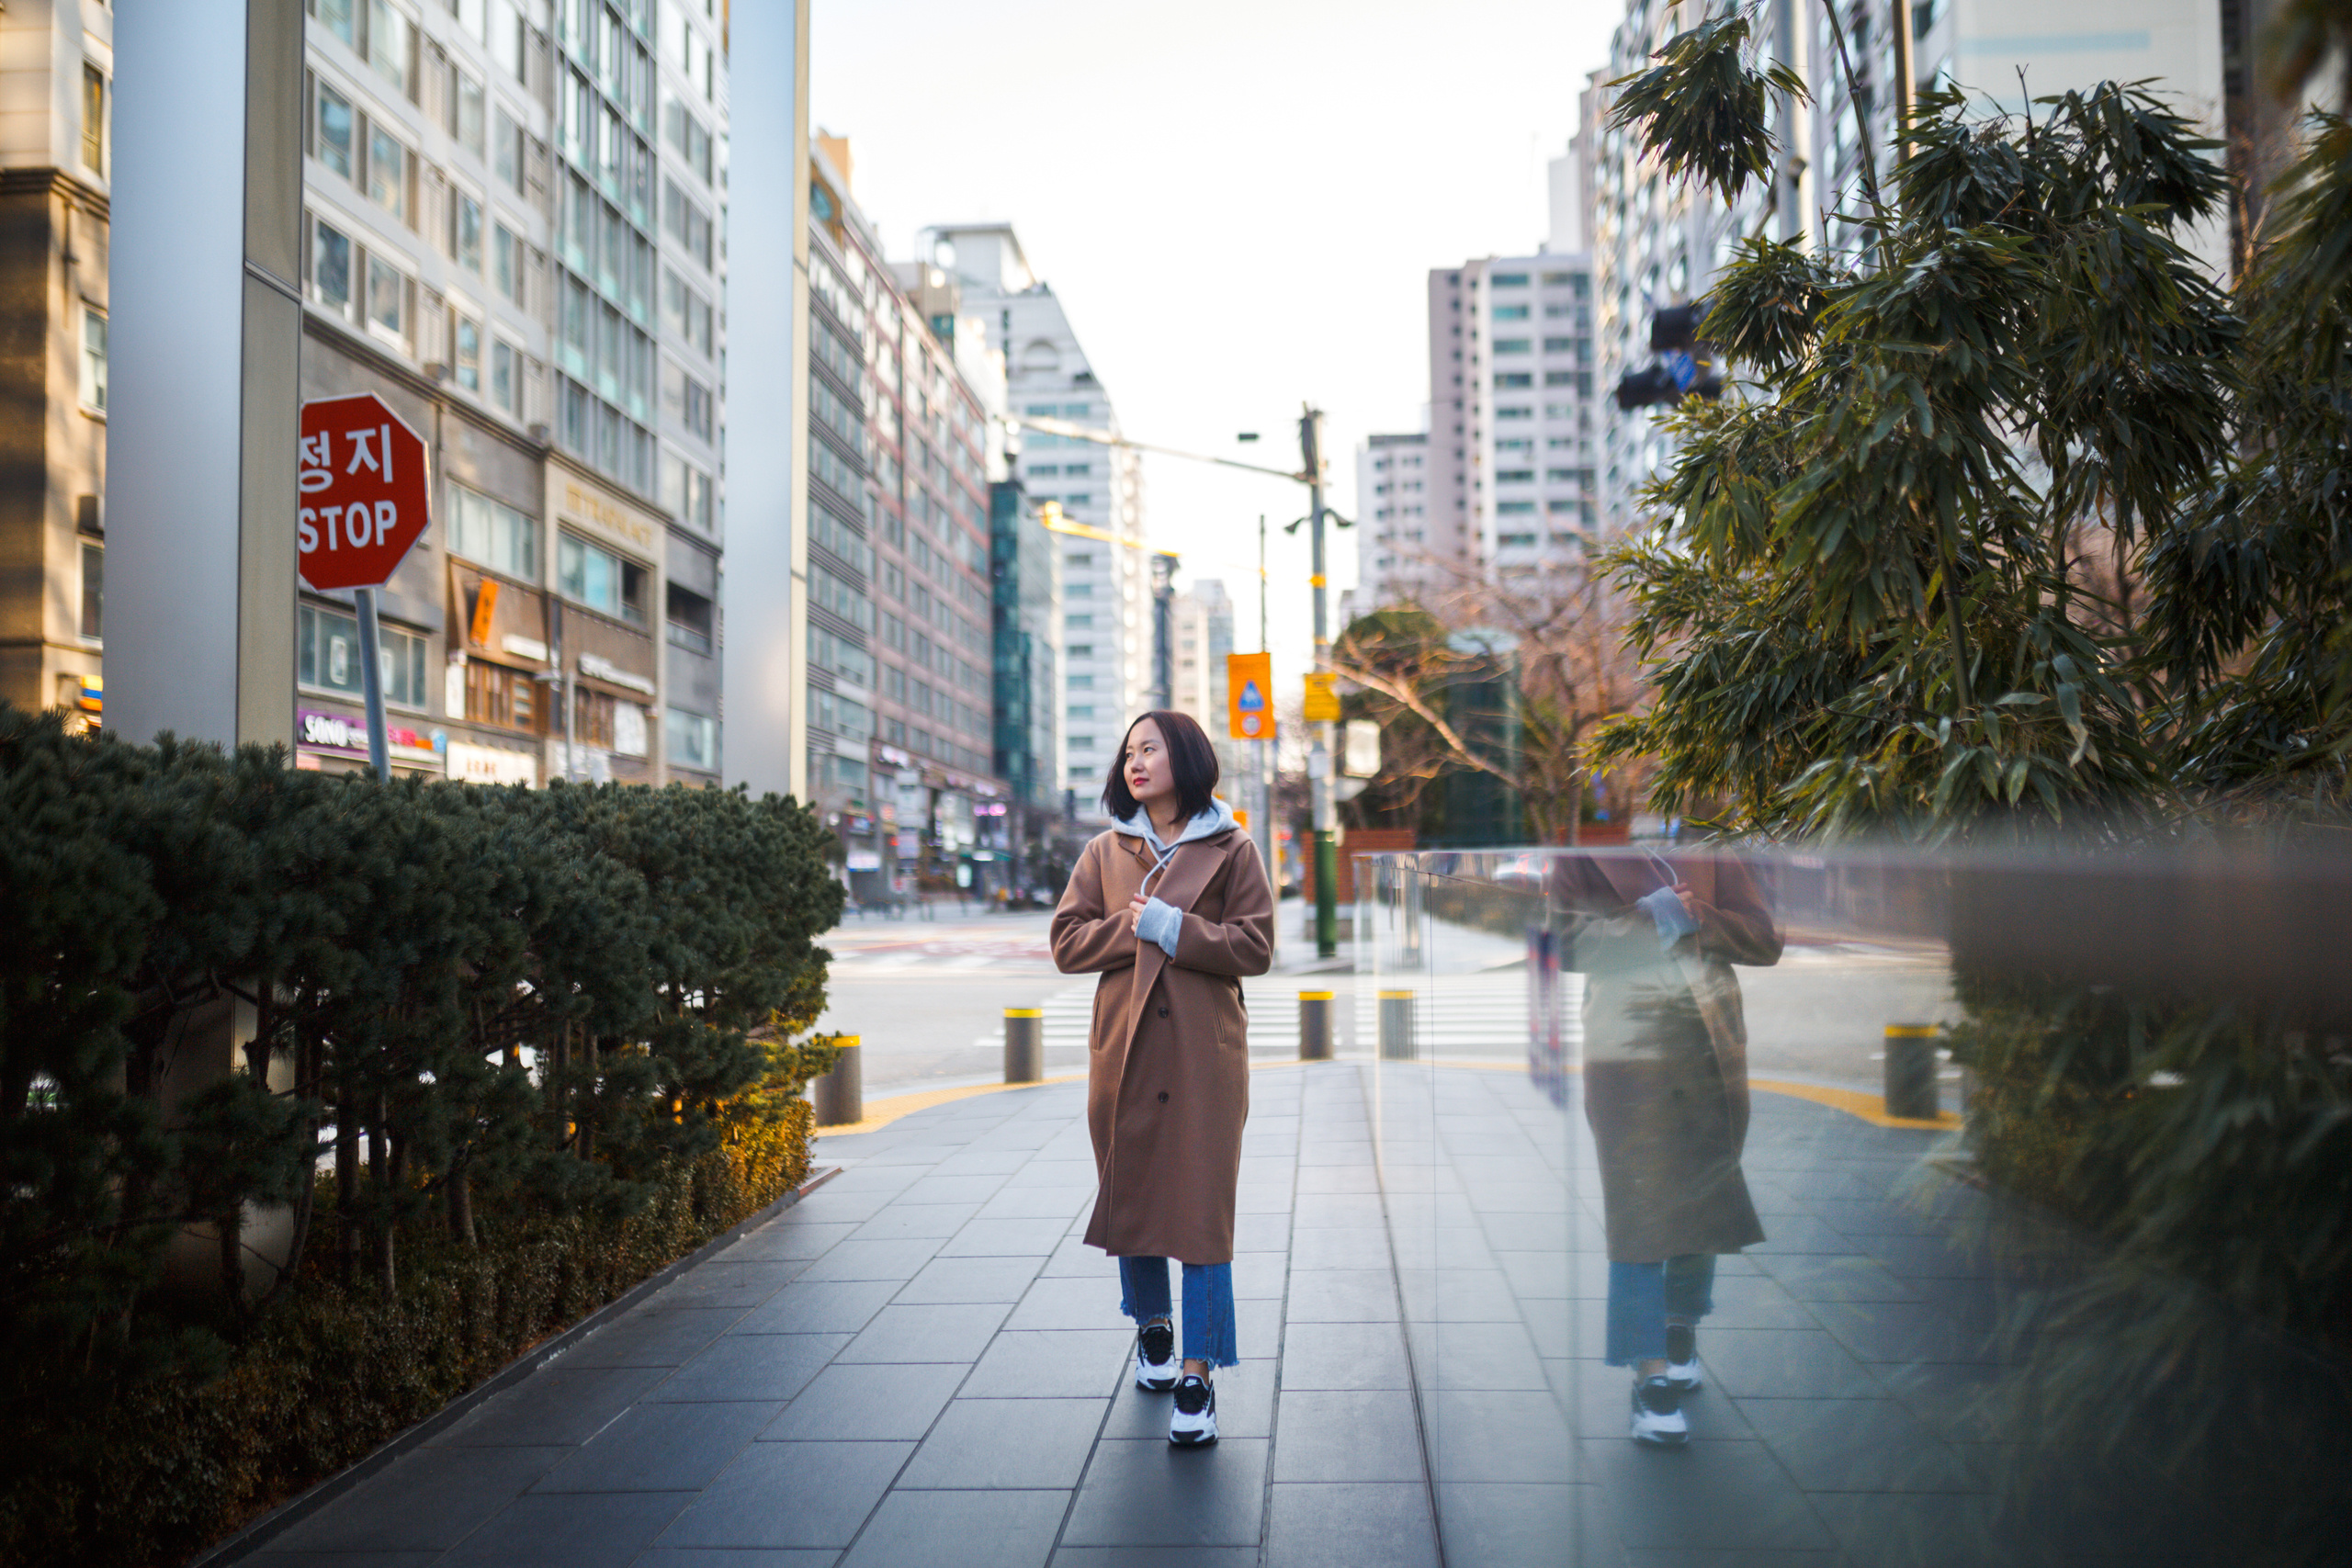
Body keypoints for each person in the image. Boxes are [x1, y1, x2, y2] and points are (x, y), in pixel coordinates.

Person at [1051, 710, 1273, 1447]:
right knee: (1137, 1187)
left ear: (1185, 754)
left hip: (1204, 1059)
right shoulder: (1104, 850)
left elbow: (1256, 944)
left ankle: (1198, 1374)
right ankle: (1152, 1323)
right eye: (1128, 752)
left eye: (1149, 748)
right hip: (1126, 1051)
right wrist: (1132, 926)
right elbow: (1066, 942)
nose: (1135, 761)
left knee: (1203, 1213)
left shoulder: (1233, 846)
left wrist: (1175, 928)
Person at [1553, 848, 1781, 1447]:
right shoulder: (1580, 847)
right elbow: (1563, 943)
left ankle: (1680, 1327)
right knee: (1638, 1205)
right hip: (1626, 1043)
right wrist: (1651, 916)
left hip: (1709, 1038)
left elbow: (1765, 939)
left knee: (1704, 1187)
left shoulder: (1707, 839)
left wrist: (1697, 914)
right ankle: (1649, 1372)